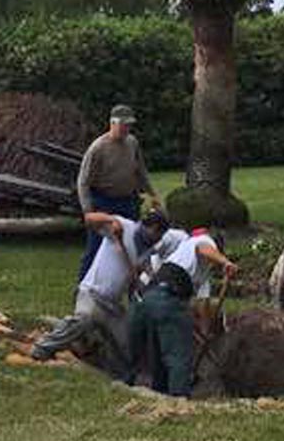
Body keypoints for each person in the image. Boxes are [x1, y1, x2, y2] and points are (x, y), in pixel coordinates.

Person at [27, 210, 168, 370]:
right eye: (159, 233)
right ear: (153, 228)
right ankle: (43, 348)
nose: (159, 239)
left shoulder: (148, 250)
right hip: (92, 293)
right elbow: (89, 218)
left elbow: (136, 280)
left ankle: (119, 373)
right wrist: (109, 220)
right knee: (84, 319)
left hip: (112, 305)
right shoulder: (123, 226)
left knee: (128, 343)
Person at [126, 226, 238, 397]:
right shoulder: (203, 242)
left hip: (147, 299)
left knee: (159, 354)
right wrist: (225, 262)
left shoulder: (195, 266)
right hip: (167, 298)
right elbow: (204, 248)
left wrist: (205, 330)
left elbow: (202, 305)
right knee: (179, 355)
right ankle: (178, 399)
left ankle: (159, 392)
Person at [75, 104, 156, 279]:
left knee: (134, 243)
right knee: (96, 247)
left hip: (128, 201)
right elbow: (83, 181)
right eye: (123, 125)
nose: (126, 129)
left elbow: (140, 171)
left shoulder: (132, 143)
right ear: (113, 123)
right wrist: (88, 211)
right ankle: (82, 286)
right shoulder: (98, 148)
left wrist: (152, 194)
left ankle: (132, 286)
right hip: (104, 201)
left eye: (129, 125)